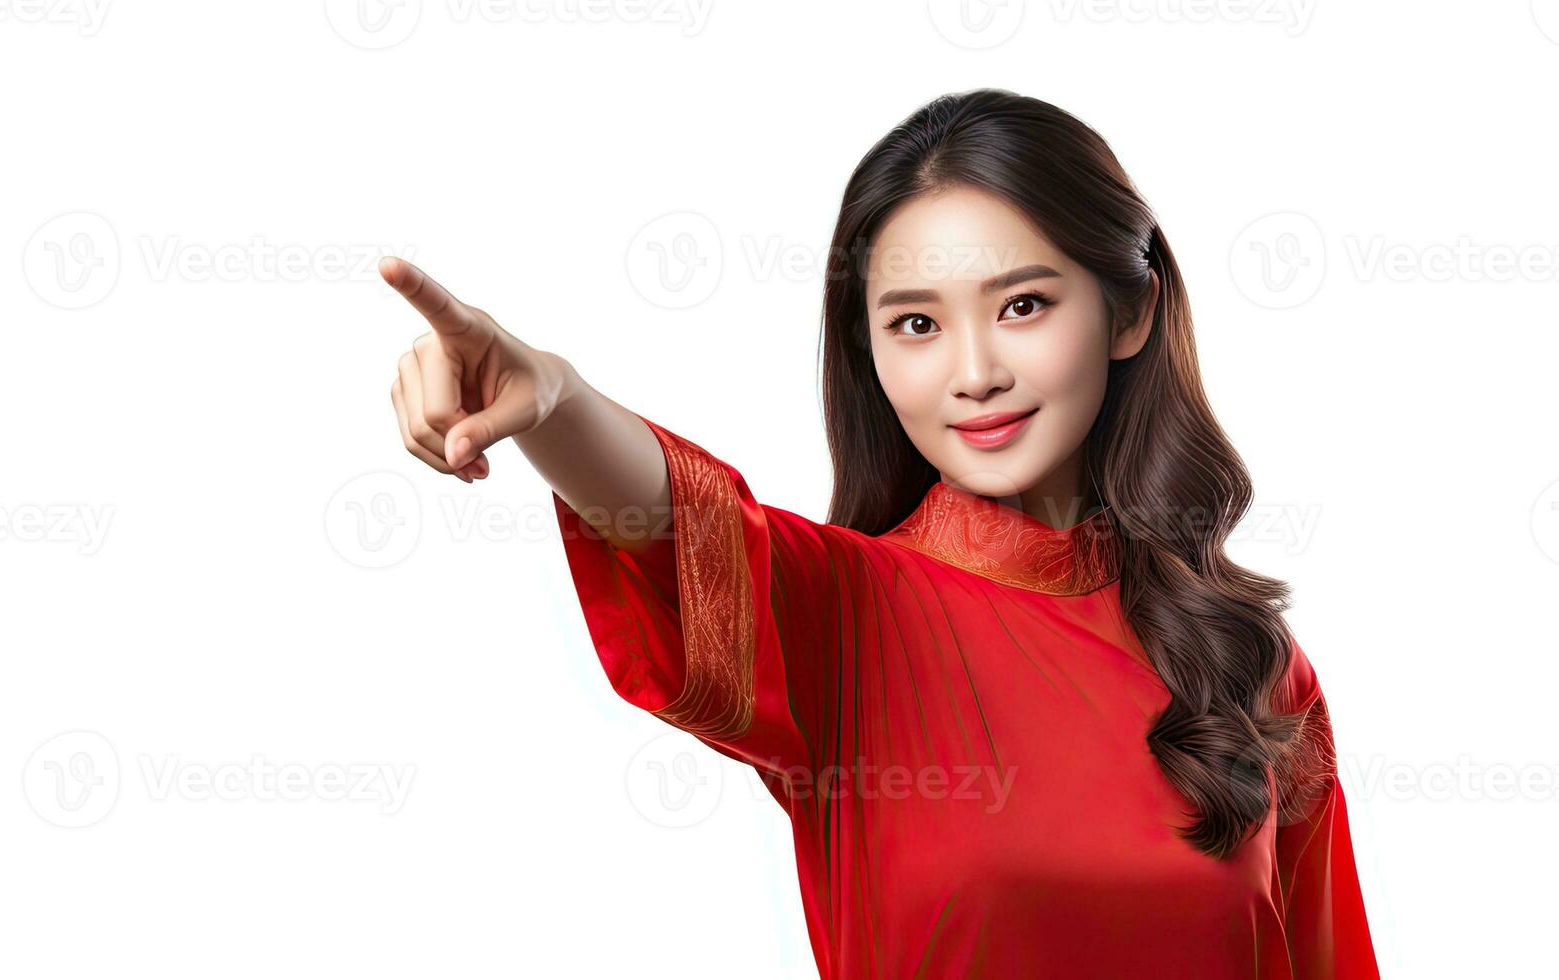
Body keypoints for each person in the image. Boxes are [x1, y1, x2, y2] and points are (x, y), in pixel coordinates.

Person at [378, 89, 1379, 978]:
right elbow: (672, 515)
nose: (973, 369)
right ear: (869, 353)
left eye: (1022, 304)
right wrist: (553, 400)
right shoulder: (840, 618)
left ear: (1127, 312)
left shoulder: (1246, 664)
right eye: (914, 323)